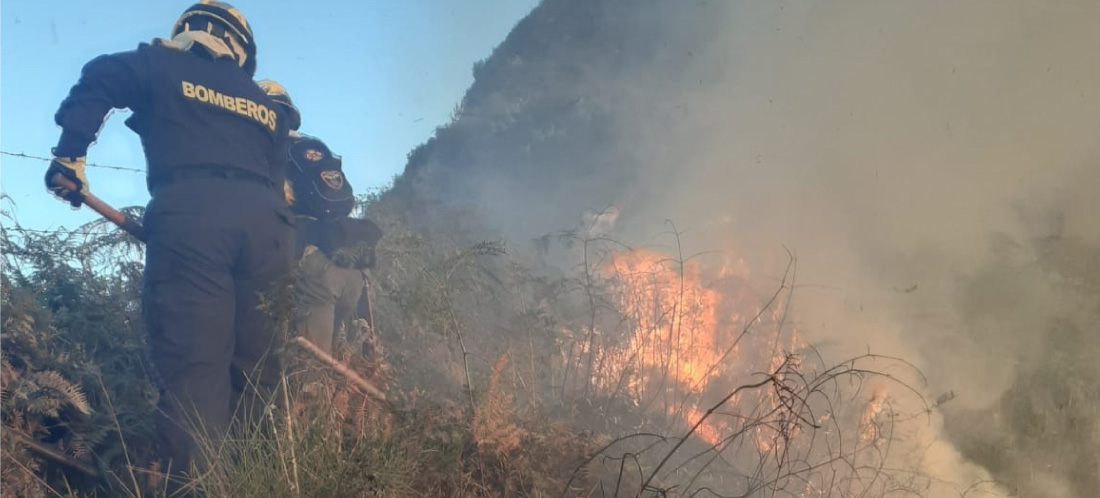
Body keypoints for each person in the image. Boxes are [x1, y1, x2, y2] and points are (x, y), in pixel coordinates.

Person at [46, 1, 295, 486]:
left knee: (196, 373)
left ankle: (201, 490)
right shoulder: (265, 104)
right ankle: (262, 486)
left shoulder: (161, 64)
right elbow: (275, 175)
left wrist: (69, 157)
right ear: (241, 48)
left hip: (193, 215)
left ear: (188, 31)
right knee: (258, 374)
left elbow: (99, 77)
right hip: (269, 229)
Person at [257, 79, 383, 356]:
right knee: (346, 362)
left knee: (312, 373)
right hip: (350, 267)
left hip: (309, 267)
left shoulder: (264, 152)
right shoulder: (314, 149)